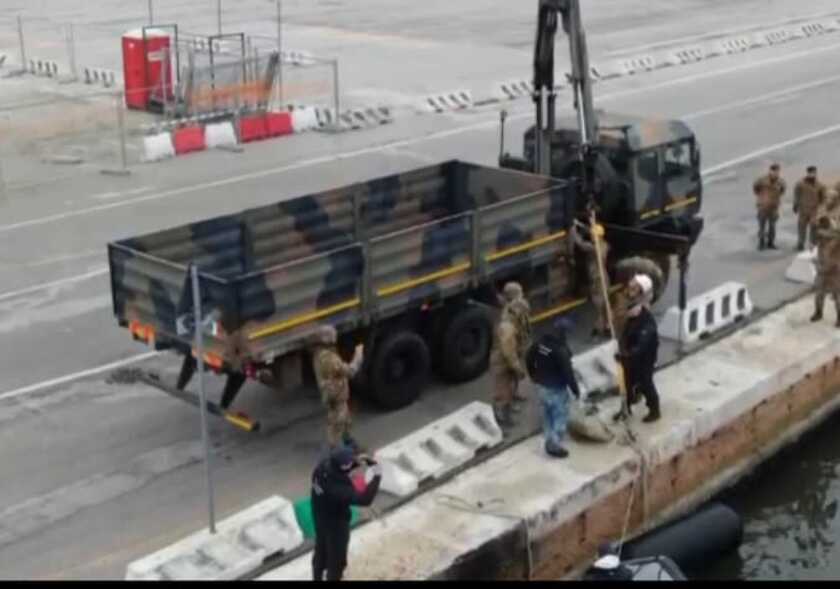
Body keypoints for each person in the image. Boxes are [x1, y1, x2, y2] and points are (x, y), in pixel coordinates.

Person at [311, 446, 382, 581]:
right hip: (336, 524)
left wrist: (356, 462)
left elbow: (340, 468)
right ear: (342, 466)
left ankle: (317, 577)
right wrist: (377, 476)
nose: (352, 464)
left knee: (321, 551)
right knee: (337, 561)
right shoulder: (337, 488)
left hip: (320, 516)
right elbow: (365, 499)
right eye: (349, 463)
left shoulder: (321, 468)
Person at [526, 317, 582, 458]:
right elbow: (568, 373)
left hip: (542, 387)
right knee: (559, 416)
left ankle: (549, 439)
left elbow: (528, 357)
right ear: (564, 333)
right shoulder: (560, 351)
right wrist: (576, 390)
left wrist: (533, 375)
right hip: (556, 389)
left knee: (547, 416)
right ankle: (555, 445)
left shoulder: (540, 343)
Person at [614, 274, 661, 423]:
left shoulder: (646, 323)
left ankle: (654, 410)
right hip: (629, 356)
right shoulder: (631, 314)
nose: (629, 290)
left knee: (646, 383)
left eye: (634, 288)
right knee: (625, 384)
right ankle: (625, 409)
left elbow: (641, 345)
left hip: (643, 359)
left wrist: (626, 355)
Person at [312, 325, 364, 448]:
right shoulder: (329, 359)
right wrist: (358, 355)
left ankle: (348, 442)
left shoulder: (318, 354)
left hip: (334, 394)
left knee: (345, 419)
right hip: (336, 396)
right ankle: (334, 452)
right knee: (337, 424)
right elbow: (350, 371)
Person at [492, 282, 531, 429]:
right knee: (503, 389)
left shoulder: (514, 311)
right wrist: (517, 368)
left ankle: (510, 403)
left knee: (512, 383)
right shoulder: (507, 326)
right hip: (504, 360)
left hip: (514, 353)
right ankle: (501, 416)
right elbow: (508, 352)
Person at [572, 220, 611, 338]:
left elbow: (580, 243)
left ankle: (599, 330)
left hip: (597, 279)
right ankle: (607, 326)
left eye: (593, 235)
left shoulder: (593, 248)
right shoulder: (605, 245)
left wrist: (573, 230)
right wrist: (585, 225)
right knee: (605, 305)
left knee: (598, 308)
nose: (591, 236)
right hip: (604, 277)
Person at [810, 190, 840, 327]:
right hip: (822, 260)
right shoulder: (822, 211)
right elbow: (814, 227)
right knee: (819, 290)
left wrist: (830, 229)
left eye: (831, 198)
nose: (828, 200)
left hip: (835, 262)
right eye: (827, 197)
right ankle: (818, 312)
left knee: (837, 292)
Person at [753, 163, 787, 250]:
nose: (775, 173)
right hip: (763, 206)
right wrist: (761, 198)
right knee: (762, 226)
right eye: (773, 171)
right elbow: (755, 188)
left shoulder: (781, 182)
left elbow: (782, 191)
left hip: (773, 207)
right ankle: (761, 243)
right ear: (770, 171)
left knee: (772, 226)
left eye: (777, 171)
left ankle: (770, 243)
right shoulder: (762, 180)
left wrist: (776, 199)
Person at [793, 166, 826, 251]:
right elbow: (796, 195)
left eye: (814, 173)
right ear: (807, 173)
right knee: (801, 227)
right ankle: (800, 243)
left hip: (814, 210)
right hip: (803, 209)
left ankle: (813, 244)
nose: (812, 174)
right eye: (810, 173)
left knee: (814, 227)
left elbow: (823, 198)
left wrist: (821, 209)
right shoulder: (800, 184)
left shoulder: (820, 185)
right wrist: (795, 205)